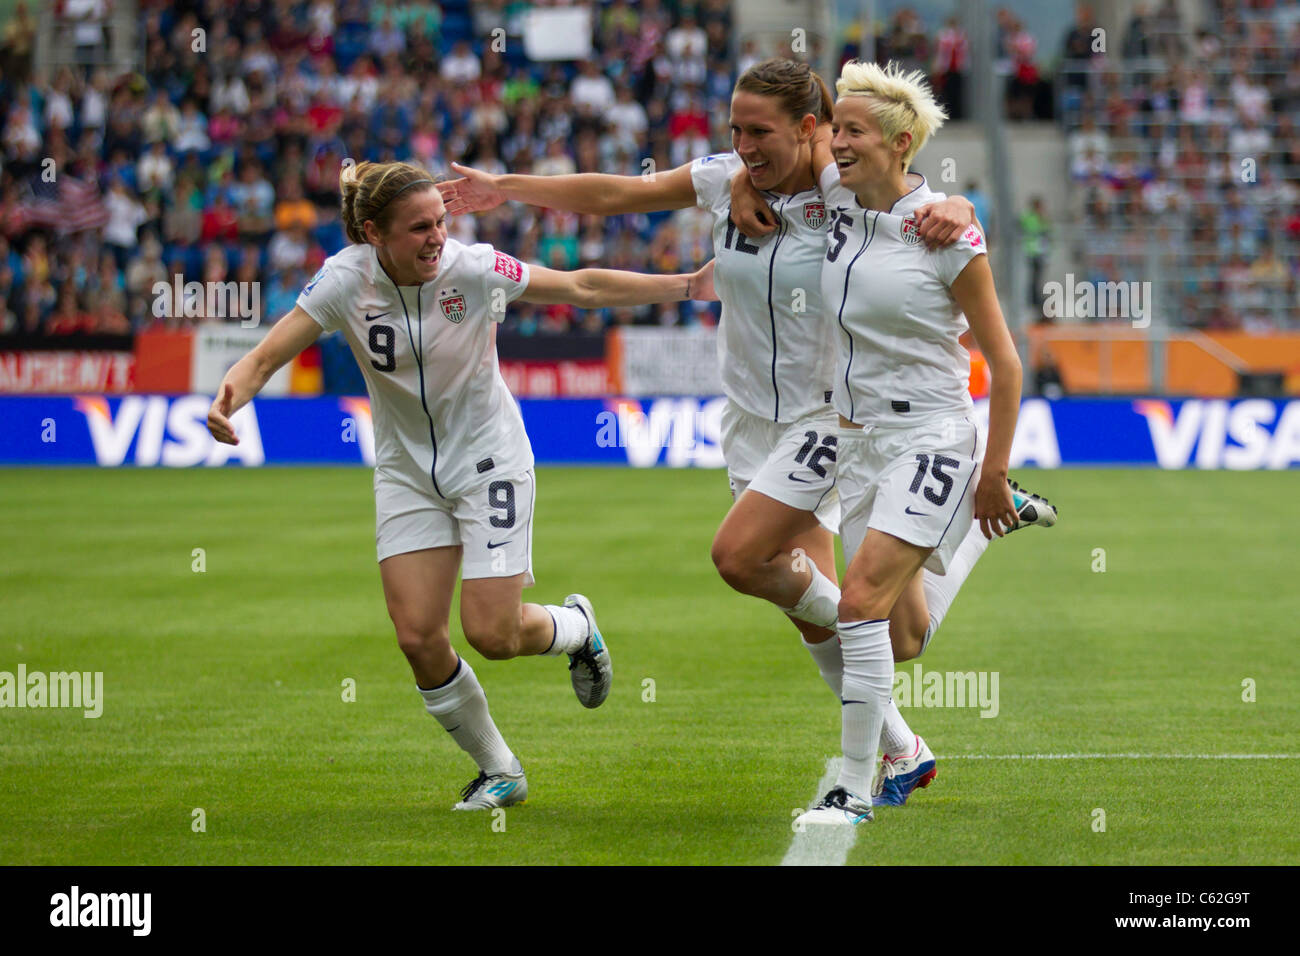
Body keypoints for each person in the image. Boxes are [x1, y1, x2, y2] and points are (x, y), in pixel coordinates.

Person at [438, 61, 980, 774]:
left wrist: (963, 207)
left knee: (746, 560)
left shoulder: (839, 187)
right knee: (844, 623)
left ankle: (891, 712)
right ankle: (904, 745)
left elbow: (916, 197)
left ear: (809, 129)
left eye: (761, 131)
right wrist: (504, 187)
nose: (744, 144)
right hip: (749, 419)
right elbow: (615, 194)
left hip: (826, 416)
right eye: (736, 129)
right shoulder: (728, 177)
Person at [207, 160, 716, 811]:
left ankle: (575, 627)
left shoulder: (473, 269)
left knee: (492, 635)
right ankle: (499, 769)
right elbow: (264, 357)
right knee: (418, 636)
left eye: (441, 223)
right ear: (373, 233)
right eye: (419, 227)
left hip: (489, 463)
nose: (436, 238)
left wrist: (685, 285)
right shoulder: (343, 281)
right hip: (406, 474)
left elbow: (581, 286)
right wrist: (231, 399)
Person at [793, 62, 1054, 826]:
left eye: (852, 131)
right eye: (835, 127)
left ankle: (853, 784)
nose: (834, 142)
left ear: (901, 143)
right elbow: (778, 132)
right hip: (859, 442)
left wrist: (994, 469)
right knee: (900, 638)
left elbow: (1005, 364)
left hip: (932, 432)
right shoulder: (836, 193)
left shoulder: (947, 231)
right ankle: (976, 529)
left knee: (859, 605)